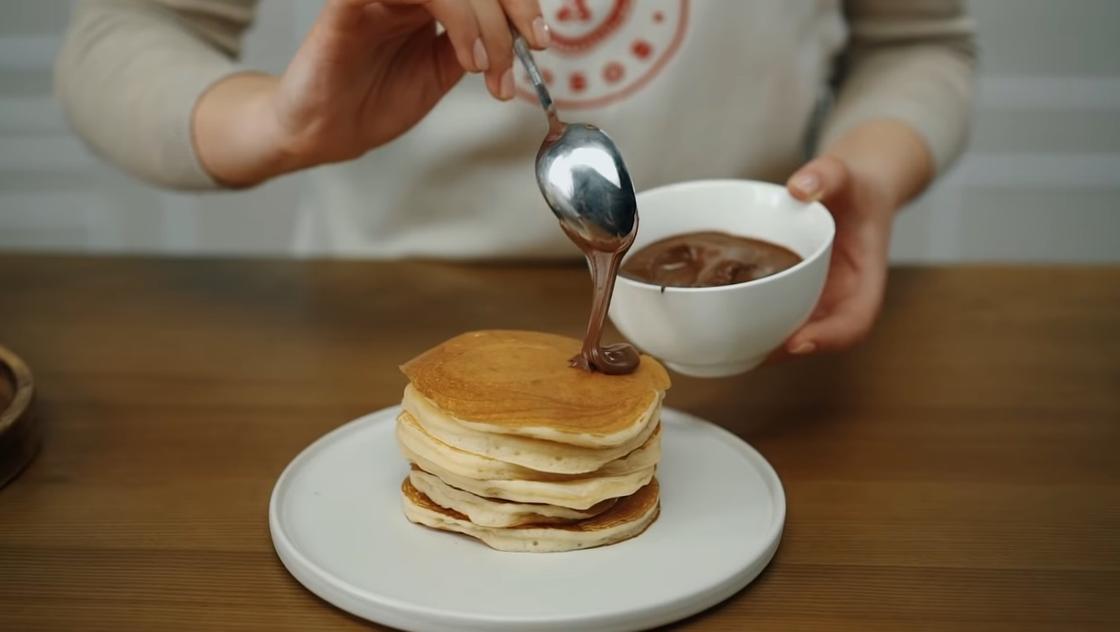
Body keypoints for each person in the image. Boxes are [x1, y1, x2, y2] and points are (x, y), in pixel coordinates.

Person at [55, 0, 976, 358]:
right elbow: (119, 35)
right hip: (378, 345)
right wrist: (280, 125)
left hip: (748, 356)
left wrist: (874, 171)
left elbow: (917, 42)